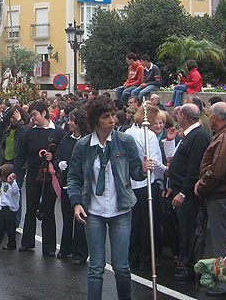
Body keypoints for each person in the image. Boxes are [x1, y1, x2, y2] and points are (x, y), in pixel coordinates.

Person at [67, 95, 155, 300]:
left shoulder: (125, 141)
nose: (112, 120)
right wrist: (76, 203)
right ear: (96, 120)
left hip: (121, 209)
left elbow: (136, 174)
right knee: (96, 267)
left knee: (121, 266)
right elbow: (73, 177)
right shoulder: (83, 145)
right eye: (106, 117)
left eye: (113, 115)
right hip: (93, 211)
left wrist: (143, 169)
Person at [194, 102, 226, 296]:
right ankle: (225, 281)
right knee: (223, 239)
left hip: (222, 194)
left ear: (215, 117)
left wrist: (201, 184)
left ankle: (225, 283)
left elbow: (217, 171)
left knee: (222, 240)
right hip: (225, 193)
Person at [165, 103, 211, 281]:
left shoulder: (198, 137)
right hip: (178, 188)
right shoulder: (189, 135)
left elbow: (193, 169)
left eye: (178, 114)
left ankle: (189, 265)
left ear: (183, 116)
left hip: (187, 194)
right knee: (182, 229)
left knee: (188, 230)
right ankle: (184, 261)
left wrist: (183, 193)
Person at [14, 101, 65, 256]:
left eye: (35, 114)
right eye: (31, 115)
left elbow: (63, 154)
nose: (32, 118)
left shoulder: (57, 132)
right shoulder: (29, 133)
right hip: (33, 175)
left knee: (48, 210)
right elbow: (21, 154)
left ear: (44, 113)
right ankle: (27, 242)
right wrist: (15, 172)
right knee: (31, 208)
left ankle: (49, 247)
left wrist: (54, 156)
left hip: (50, 177)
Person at [124, 104, 166, 270]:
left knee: (133, 222)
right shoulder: (148, 135)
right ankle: (147, 257)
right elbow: (154, 162)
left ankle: (132, 255)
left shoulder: (128, 133)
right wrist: (166, 172)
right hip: (146, 182)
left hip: (131, 182)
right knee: (148, 222)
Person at [54, 108, 89, 265]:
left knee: (80, 219)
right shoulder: (66, 140)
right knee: (67, 217)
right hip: (66, 182)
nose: (69, 123)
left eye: (72, 120)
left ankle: (80, 252)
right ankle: (65, 248)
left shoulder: (87, 140)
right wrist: (58, 163)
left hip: (82, 185)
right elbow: (58, 156)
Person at [0, 164, 20, 251]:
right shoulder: (3, 183)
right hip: (2, 208)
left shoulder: (13, 185)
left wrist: (12, 181)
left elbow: (15, 191)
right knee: (0, 228)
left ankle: (11, 244)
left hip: (10, 210)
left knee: (10, 229)